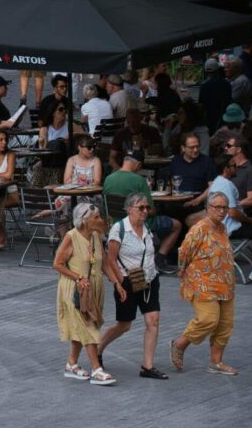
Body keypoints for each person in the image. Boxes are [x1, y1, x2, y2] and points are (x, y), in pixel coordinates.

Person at [99, 192, 169, 380]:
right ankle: (98, 348)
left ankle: (147, 365)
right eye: (141, 208)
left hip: (149, 278)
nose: (145, 211)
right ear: (129, 209)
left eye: (147, 207)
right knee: (124, 325)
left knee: (153, 320)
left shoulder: (146, 228)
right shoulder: (119, 229)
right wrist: (121, 282)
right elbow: (110, 259)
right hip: (127, 280)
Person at [171, 192, 238, 375]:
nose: (221, 211)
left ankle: (216, 362)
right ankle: (180, 344)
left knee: (225, 324)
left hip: (225, 283)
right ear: (208, 208)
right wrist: (183, 271)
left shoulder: (222, 228)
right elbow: (184, 252)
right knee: (208, 319)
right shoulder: (199, 228)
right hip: (202, 282)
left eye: (224, 207)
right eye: (217, 207)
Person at [53, 202, 115, 385]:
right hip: (75, 289)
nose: (100, 220)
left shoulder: (96, 236)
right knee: (89, 328)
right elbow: (57, 264)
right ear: (84, 220)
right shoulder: (71, 237)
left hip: (93, 289)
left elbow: (103, 263)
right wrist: (77, 277)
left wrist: (117, 283)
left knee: (84, 326)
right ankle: (97, 369)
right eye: (96, 217)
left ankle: (71, 364)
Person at [103, 155, 180, 274]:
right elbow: (150, 209)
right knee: (177, 225)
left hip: (114, 222)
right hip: (139, 223)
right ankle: (159, 260)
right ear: (138, 165)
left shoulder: (108, 178)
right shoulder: (139, 180)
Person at [169, 134, 216, 209]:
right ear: (183, 148)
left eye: (197, 146)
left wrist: (198, 200)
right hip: (176, 200)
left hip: (197, 201)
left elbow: (212, 186)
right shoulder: (175, 161)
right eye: (192, 147)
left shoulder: (207, 161)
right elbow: (169, 183)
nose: (195, 150)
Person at [199, 58, 232, 134]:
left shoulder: (205, 86)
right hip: (224, 115)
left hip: (209, 116)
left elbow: (201, 104)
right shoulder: (226, 83)